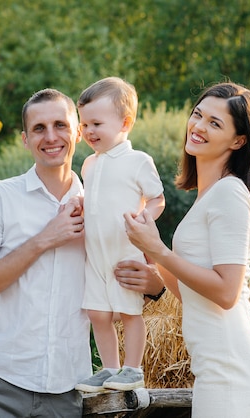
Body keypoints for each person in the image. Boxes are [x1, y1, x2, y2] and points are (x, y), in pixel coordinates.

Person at [0, 87, 167, 417]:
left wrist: (154, 285)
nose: (51, 136)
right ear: (25, 139)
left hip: (67, 389)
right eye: (39, 128)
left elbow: (137, 286)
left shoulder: (102, 206)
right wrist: (44, 239)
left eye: (61, 125)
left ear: (78, 133)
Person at [117, 82, 250, 417]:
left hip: (231, 363)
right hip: (215, 361)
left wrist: (160, 251)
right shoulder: (209, 195)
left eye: (215, 123)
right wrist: (156, 266)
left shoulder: (230, 194)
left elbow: (225, 292)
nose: (198, 126)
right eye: (198, 115)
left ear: (238, 141)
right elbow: (196, 295)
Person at [74, 77, 166, 393]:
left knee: (128, 310)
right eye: (84, 124)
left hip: (124, 250)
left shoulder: (137, 161)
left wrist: (144, 219)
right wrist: (81, 205)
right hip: (95, 252)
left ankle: (133, 369)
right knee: (98, 313)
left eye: (97, 123)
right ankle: (109, 367)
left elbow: (158, 198)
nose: (88, 131)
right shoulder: (88, 164)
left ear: (125, 122)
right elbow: (98, 200)